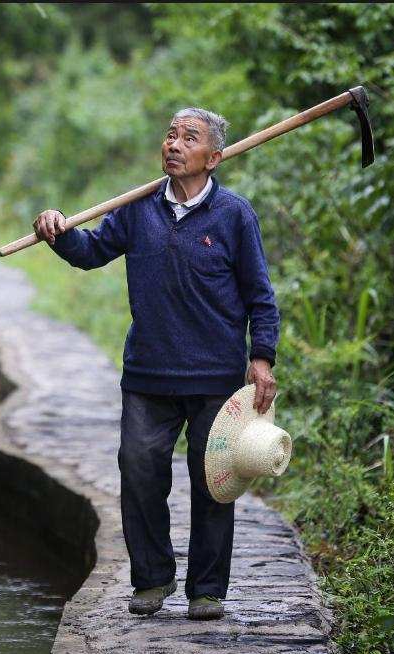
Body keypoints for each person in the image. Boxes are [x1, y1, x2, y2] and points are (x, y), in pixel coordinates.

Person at [32, 107, 280, 619]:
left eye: (189, 138)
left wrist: (262, 359)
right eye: (170, 135)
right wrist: (57, 231)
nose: (173, 144)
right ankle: (152, 578)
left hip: (215, 377)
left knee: (214, 482)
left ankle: (207, 590)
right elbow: (91, 250)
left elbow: (260, 295)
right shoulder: (137, 209)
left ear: (213, 158)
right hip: (148, 373)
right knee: (139, 468)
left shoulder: (235, 215)